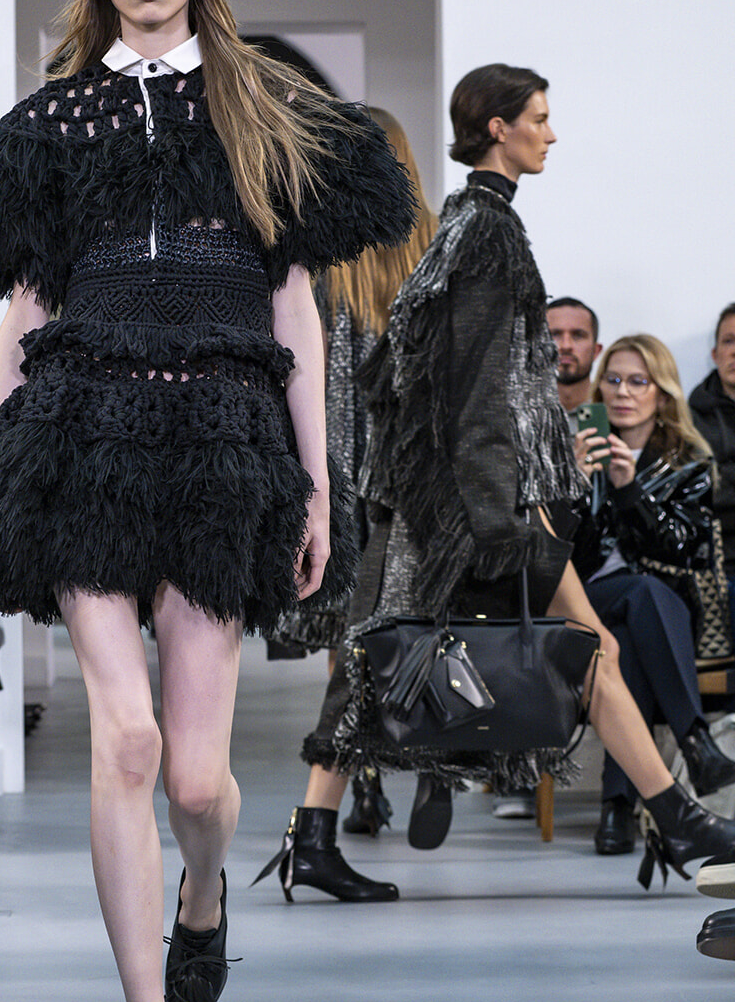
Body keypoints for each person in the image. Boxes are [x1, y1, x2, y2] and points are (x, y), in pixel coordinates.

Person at [0, 0, 415, 1002]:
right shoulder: (55, 124)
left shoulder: (263, 108)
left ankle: (204, 896)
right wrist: (0, 454)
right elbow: (27, 302)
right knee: (127, 742)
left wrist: (311, 482)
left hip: (222, 439)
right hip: (82, 429)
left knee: (199, 775)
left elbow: (297, 312)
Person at [284, 62, 735, 889]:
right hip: (475, 506)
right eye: (540, 117)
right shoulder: (482, 233)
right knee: (565, 648)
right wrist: (495, 519)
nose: (552, 133)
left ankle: (315, 833)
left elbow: (403, 372)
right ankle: (678, 815)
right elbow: (478, 391)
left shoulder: (460, 225)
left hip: (435, 497)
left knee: (383, 655)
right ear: (500, 127)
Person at [258, 109, 436, 901]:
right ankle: (393, 774)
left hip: (336, 464)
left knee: (354, 644)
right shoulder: (430, 248)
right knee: (399, 638)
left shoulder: (315, 252)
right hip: (408, 474)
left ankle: (347, 797)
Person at [574, 334, 735, 853]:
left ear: (661, 394)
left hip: (658, 615)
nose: (623, 392)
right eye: (613, 380)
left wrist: (628, 491)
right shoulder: (573, 448)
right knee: (634, 599)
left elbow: (681, 549)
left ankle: (617, 810)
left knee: (631, 626)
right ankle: (695, 742)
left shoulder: (689, 462)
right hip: (582, 604)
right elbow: (560, 555)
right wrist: (574, 486)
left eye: (637, 381)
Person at [688, 302, 735, 631]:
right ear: (715, 353)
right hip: (724, 566)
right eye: (730, 341)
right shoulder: (690, 419)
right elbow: (702, 493)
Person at [547, 296, 604, 413]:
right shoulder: (513, 416)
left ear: (596, 351)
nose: (566, 346)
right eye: (555, 335)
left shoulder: (616, 413)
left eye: (578, 335)